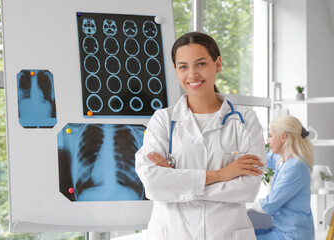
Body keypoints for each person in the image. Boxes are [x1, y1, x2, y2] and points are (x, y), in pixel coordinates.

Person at [135, 32, 266, 240]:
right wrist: (222, 174)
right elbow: (153, 184)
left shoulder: (245, 121)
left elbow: (247, 189)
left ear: (218, 64)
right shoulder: (162, 120)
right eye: (183, 66)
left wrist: (178, 184)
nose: (192, 75)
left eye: (201, 64)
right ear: (176, 70)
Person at [247, 115, 314, 239]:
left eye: (271, 136)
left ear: (283, 137)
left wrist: (245, 204)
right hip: (282, 231)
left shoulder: (296, 167)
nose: (268, 141)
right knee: (246, 235)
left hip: (291, 236)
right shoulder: (284, 161)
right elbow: (264, 159)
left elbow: (269, 204)